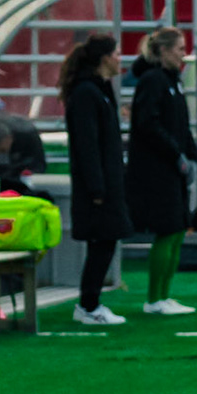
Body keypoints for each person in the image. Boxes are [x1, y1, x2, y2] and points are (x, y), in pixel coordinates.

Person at [125, 26, 197, 315]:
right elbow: (148, 124)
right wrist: (175, 153)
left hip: (174, 167)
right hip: (157, 170)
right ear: (164, 51)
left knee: (178, 231)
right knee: (167, 231)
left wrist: (190, 154)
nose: (183, 54)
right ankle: (154, 299)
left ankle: (165, 295)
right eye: (179, 48)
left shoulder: (173, 81)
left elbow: (181, 124)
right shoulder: (153, 80)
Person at [60, 33, 131, 326]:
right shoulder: (86, 93)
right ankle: (88, 305)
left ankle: (91, 303)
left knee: (106, 241)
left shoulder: (99, 89)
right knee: (101, 241)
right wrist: (97, 187)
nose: (120, 59)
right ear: (104, 58)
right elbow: (87, 145)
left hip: (108, 180)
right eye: (116, 54)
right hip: (97, 185)